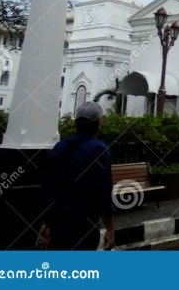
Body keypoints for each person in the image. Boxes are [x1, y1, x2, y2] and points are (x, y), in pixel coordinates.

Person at [37, 102, 115, 250]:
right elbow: (104, 191)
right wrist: (109, 227)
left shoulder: (60, 147)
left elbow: (48, 187)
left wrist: (46, 222)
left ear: (76, 123)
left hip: (59, 221)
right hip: (85, 222)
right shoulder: (100, 150)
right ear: (98, 124)